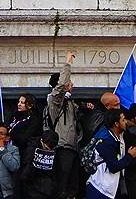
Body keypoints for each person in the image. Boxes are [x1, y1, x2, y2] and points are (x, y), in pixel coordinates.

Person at [46, 51, 82, 199]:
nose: (71, 84)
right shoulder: (55, 101)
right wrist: (68, 63)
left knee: (73, 187)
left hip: (73, 148)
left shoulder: (70, 103)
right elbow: (61, 86)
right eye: (69, 82)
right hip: (62, 149)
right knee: (62, 186)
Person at [86, 109, 136, 199]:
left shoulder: (118, 137)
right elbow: (114, 167)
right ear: (116, 124)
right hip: (99, 189)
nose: (125, 122)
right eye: (123, 120)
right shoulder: (105, 141)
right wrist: (130, 156)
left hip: (110, 189)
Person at [18, 130, 60, 199]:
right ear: (42, 141)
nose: (48, 151)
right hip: (33, 187)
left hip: (47, 188)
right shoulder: (31, 150)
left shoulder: (54, 151)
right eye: (46, 148)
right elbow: (25, 173)